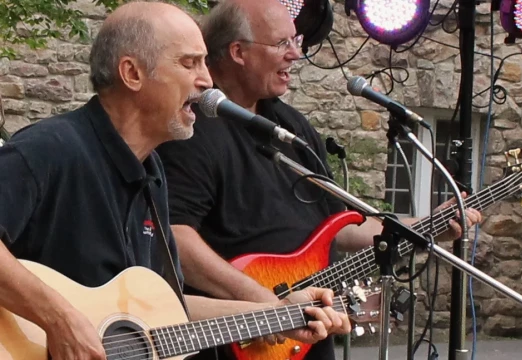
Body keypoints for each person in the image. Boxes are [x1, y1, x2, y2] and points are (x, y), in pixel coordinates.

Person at [0, 2, 351, 359]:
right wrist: (59, 319)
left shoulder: (153, 177)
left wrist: (277, 313)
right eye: (188, 63)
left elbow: (165, 310)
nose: (207, 81)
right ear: (132, 73)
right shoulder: (49, 149)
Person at [155, 0, 483, 359]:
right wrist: (266, 303)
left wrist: (421, 227)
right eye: (282, 43)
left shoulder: (291, 127)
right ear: (238, 52)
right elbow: (174, 236)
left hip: (306, 332)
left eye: (296, 40)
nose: (296, 54)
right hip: (234, 340)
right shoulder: (190, 128)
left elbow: (337, 225)